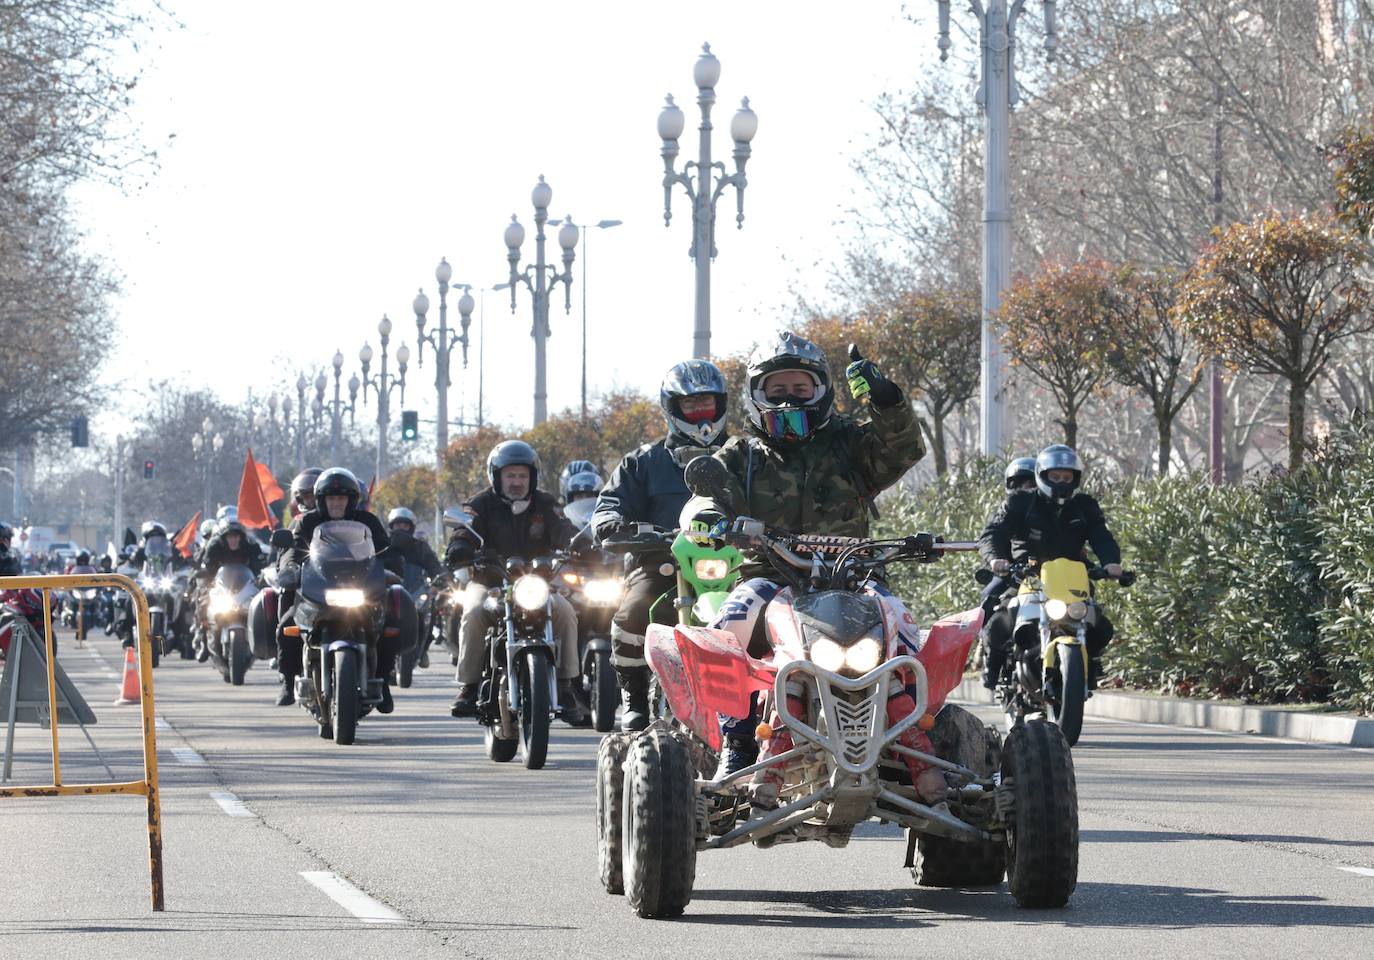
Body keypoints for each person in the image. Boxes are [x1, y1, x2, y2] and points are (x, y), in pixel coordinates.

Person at [685, 333, 928, 792]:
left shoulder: (850, 442)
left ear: (822, 391)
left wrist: (886, 398)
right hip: (767, 577)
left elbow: (904, 449)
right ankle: (736, 744)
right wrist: (712, 520)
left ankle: (916, 743)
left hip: (855, 578)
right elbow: (703, 499)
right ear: (757, 396)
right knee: (727, 630)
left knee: (906, 634)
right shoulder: (740, 454)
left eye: (801, 389)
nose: (788, 398)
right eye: (777, 390)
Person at [592, 358, 730, 731]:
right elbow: (608, 505)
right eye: (692, 405)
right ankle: (634, 699)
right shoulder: (642, 462)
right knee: (633, 613)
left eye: (709, 404)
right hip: (661, 564)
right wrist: (612, 524)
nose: (702, 413)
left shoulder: (744, 455)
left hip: (736, 566)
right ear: (673, 408)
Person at [444, 440, 588, 726]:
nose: (517, 482)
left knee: (565, 611)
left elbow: (563, 528)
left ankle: (566, 685)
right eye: (511, 475)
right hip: (489, 580)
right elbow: (464, 530)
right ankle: (469, 687)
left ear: (532, 477)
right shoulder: (480, 504)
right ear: (497, 476)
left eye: (523, 476)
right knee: (472, 612)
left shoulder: (545, 503)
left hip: (535, 583)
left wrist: (581, 543)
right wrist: (461, 546)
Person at [977, 444, 1124, 691]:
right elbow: (993, 532)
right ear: (1042, 475)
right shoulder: (1020, 502)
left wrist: (1111, 563)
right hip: (1027, 575)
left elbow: (1101, 536)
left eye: (1067, 477)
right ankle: (993, 667)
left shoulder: (1085, 506)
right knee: (1000, 620)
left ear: (1075, 478)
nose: (1061, 482)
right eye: (1055, 477)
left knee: (1102, 626)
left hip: (1073, 577)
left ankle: (1091, 664)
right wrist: (995, 559)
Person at [278, 468, 402, 713]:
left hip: (360, 588)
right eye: (331, 498)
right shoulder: (308, 521)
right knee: (286, 626)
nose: (336, 503)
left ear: (351, 500)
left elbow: (385, 550)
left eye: (341, 498)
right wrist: (290, 567)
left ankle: (384, 681)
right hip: (320, 587)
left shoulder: (368, 521)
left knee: (391, 627)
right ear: (322, 500)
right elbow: (293, 548)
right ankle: (287, 679)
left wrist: (392, 564)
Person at [976, 457, 1039, 626]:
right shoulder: (1007, 509)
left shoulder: (1054, 509)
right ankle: (985, 646)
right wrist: (995, 560)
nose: (1023, 489)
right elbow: (990, 535)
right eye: (1016, 484)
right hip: (1013, 574)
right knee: (990, 596)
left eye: (1031, 484)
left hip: (1054, 575)